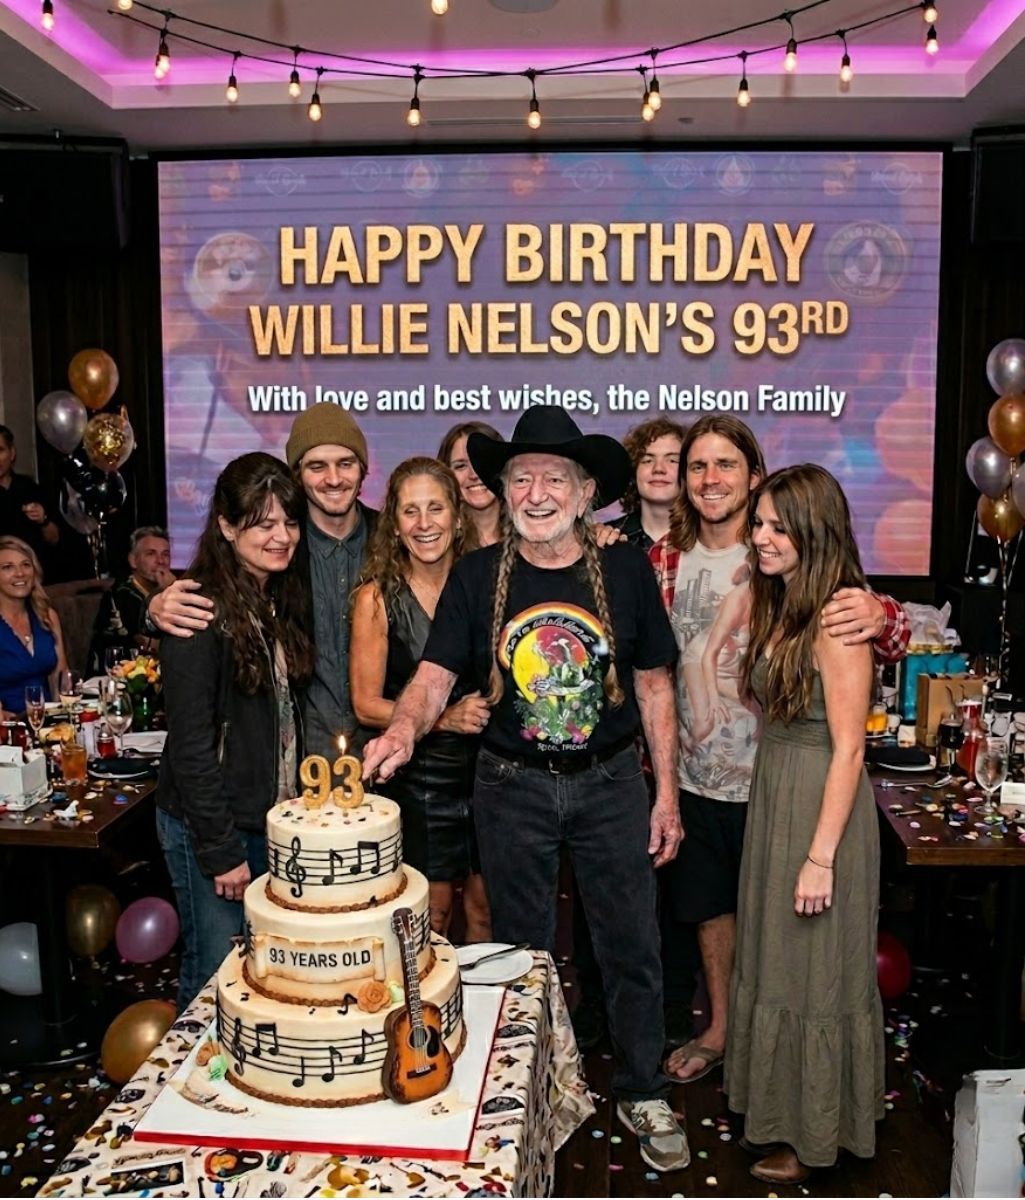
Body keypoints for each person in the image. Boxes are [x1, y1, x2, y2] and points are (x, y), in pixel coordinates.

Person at [363, 407, 690, 1174]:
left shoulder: (624, 570)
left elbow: (653, 686)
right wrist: (403, 730)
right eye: (520, 478)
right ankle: (528, 1094)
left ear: (584, 493)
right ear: (503, 490)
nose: (536, 493)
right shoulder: (477, 575)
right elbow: (433, 676)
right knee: (520, 954)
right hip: (510, 788)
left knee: (630, 944)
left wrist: (666, 796)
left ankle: (642, 1089)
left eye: (553, 478)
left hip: (611, 785)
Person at [651, 414, 909, 1086]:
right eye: (696, 466)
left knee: (798, 948)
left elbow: (869, 626)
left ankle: (801, 1092)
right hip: (699, 778)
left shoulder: (785, 558)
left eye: (725, 465)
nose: (710, 479)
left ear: (754, 477)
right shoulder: (663, 558)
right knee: (719, 913)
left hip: (784, 780)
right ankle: (729, 1035)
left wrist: (883, 613)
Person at [725, 463, 884, 1184]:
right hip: (780, 793)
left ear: (813, 533)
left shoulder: (838, 616)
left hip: (822, 805)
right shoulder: (787, 600)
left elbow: (849, 748)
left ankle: (814, 1132)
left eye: (777, 527)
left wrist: (820, 858)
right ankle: (779, 1113)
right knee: (779, 962)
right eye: (758, 523)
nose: (760, 537)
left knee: (815, 972)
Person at [156, 453, 314, 1010]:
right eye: (263, 523)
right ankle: (189, 1070)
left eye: (289, 522)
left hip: (264, 819)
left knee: (258, 977)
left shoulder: (277, 596)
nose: (281, 536)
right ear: (226, 526)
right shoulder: (196, 609)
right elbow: (192, 746)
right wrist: (221, 850)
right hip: (212, 825)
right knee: (213, 979)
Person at [571, 414, 697, 1054]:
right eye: (648, 457)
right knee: (605, 883)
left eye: (674, 458)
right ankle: (595, 1009)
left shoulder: (711, 542)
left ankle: (672, 1009)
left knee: (678, 886)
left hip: (693, 737)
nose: (660, 468)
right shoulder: (603, 542)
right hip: (617, 740)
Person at [149, 406, 376, 759]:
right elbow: (215, 589)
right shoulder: (277, 551)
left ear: (363, 469)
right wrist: (152, 610)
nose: (333, 478)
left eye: (345, 463)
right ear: (297, 475)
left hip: (384, 751)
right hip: (298, 757)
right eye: (317, 466)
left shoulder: (391, 538)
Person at [350, 457, 491, 940]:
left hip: (489, 775)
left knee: (485, 912)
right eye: (410, 511)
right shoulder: (375, 599)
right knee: (432, 918)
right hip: (420, 781)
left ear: (457, 516)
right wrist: (444, 718)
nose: (424, 523)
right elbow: (365, 704)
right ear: (394, 524)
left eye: (436, 508)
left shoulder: (486, 586)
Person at [0, 536, 68, 717]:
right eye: (7, 567)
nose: (20, 573)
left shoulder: (47, 616)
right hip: (8, 724)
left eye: (25, 565)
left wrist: (65, 718)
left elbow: (60, 677)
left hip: (48, 720)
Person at [91, 527, 174, 665]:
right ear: (133, 561)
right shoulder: (121, 595)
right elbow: (145, 645)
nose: (161, 561)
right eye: (151, 554)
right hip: (121, 671)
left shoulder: (173, 589)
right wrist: (168, 593)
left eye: (165, 554)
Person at [611, 417, 686, 550]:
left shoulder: (710, 538)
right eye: (647, 460)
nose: (658, 468)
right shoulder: (607, 539)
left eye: (672, 460)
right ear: (633, 470)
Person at [0, 426, 59, 568]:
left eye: (0, 450)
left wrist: (43, 520)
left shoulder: (30, 488)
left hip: (35, 573)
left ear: (12, 453)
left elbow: (54, 539)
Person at [438, 421, 504, 548]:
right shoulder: (440, 543)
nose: (474, 474)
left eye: (483, 462)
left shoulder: (528, 535)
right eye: (461, 466)